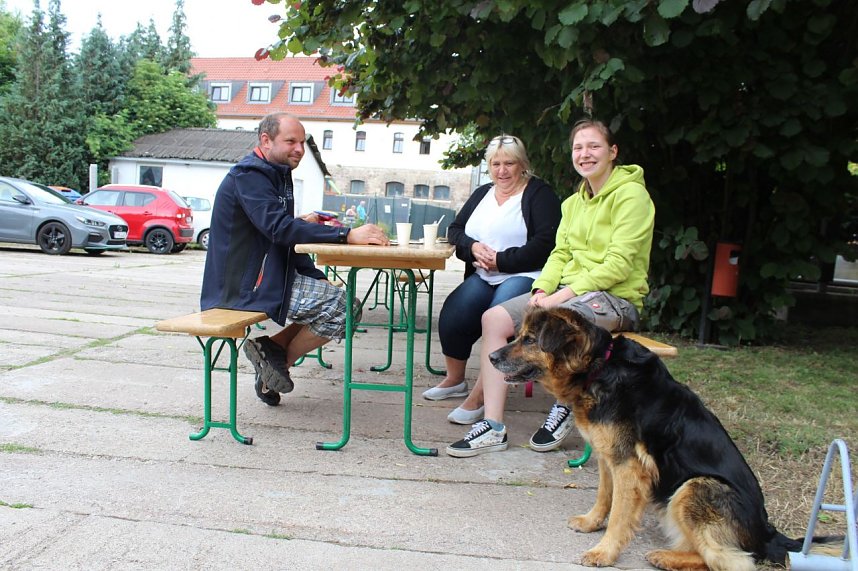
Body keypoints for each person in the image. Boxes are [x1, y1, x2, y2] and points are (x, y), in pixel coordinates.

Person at [446, 118, 656, 457]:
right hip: (568, 293)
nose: (585, 154)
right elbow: (558, 254)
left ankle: (566, 402)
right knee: (494, 319)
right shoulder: (574, 203)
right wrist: (542, 290)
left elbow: (618, 265)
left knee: (560, 324)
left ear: (612, 152)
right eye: (578, 148)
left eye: (593, 146)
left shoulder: (632, 197)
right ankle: (493, 426)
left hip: (616, 299)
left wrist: (560, 297)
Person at [201, 112, 389, 406]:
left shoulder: (276, 175)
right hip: (242, 289)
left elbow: (286, 238)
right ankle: (274, 361)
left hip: (270, 278)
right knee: (344, 309)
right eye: (291, 141)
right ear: (266, 140)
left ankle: (272, 354)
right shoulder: (249, 176)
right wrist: (346, 235)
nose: (300, 149)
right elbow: (280, 229)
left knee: (342, 304)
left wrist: (314, 275)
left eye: (303, 142)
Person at [421, 135, 561, 427]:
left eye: (509, 163)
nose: (502, 170)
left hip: (524, 275)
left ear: (522, 164)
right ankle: (455, 379)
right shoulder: (483, 192)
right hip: (484, 273)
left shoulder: (538, 193)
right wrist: (471, 247)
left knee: (497, 318)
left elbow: (546, 243)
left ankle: (480, 396)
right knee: (454, 313)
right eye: (495, 164)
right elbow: (455, 229)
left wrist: (502, 261)